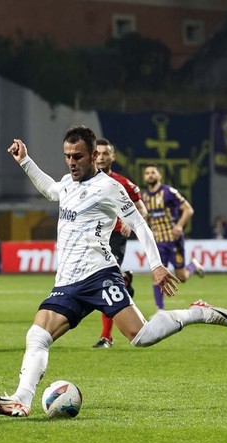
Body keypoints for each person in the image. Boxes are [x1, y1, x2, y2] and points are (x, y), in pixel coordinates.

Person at [0, 127, 227, 418]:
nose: (71, 162)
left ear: (92, 157)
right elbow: (50, 190)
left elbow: (139, 224)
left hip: (99, 274)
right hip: (67, 282)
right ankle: (21, 400)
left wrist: (156, 265)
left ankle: (196, 312)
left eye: (78, 156)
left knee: (142, 336)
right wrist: (26, 161)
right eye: (67, 156)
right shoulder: (67, 183)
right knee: (37, 335)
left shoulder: (110, 188)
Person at [90, 138, 148, 349]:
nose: (103, 157)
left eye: (107, 153)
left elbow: (143, 210)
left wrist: (129, 223)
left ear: (113, 156)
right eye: (99, 153)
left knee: (106, 283)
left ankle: (106, 337)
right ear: (93, 155)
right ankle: (125, 281)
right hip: (91, 239)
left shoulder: (123, 183)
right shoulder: (82, 182)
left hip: (114, 238)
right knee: (99, 283)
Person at [141, 165, 205, 311]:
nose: (150, 175)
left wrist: (179, 226)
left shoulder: (168, 192)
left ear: (159, 175)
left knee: (182, 277)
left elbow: (188, 210)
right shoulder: (143, 197)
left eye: (153, 172)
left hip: (173, 240)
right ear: (144, 177)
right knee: (157, 275)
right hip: (157, 242)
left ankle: (193, 266)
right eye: (147, 173)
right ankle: (160, 310)